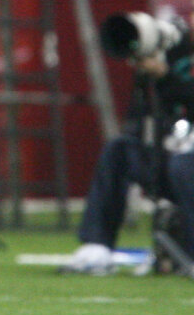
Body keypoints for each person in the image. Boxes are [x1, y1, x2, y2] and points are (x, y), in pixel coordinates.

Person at [65, 26, 194, 275]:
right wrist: (149, 75)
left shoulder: (174, 71)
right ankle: (97, 245)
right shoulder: (178, 56)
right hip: (177, 163)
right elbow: (143, 118)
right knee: (120, 150)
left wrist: (166, 76)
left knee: (183, 165)